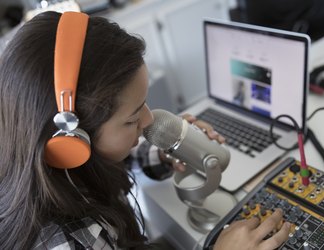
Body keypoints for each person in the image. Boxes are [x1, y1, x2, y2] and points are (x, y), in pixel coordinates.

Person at [0, 11, 290, 249]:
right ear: (72, 142)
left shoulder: (45, 156)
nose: (149, 121)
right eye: (132, 118)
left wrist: (166, 152)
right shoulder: (71, 241)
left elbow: (114, 156)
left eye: (144, 105)